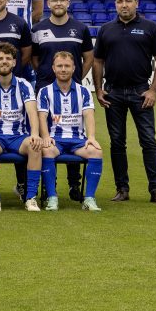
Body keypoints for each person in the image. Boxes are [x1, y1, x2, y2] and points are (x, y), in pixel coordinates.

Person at [92, 0, 156, 204]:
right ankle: (122, 189)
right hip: (113, 92)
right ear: (115, 4)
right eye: (119, 2)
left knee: (148, 141)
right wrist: (99, 89)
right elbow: (98, 61)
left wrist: (153, 90)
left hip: (140, 92)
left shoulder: (150, 27)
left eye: (127, 1)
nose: (123, 5)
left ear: (137, 2)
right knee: (117, 143)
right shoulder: (106, 29)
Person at [31, 0, 94, 202]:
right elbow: (34, 58)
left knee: (73, 132)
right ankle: (51, 186)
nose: (58, 3)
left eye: (62, 0)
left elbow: (88, 58)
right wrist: (46, 76)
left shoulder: (80, 28)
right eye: (54, 0)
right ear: (48, 3)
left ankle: (74, 184)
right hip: (45, 89)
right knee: (47, 138)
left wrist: (76, 77)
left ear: (68, 2)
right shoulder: (38, 29)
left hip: (72, 90)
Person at [0, 43, 43, 212]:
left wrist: (35, 134)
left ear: (14, 62)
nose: (4, 61)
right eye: (0, 58)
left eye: (8, 58)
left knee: (35, 146)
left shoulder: (24, 84)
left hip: (19, 137)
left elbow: (32, 112)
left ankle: (31, 198)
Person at [36, 52, 104, 212]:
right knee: (46, 150)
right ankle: (52, 197)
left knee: (96, 152)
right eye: (59, 66)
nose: (63, 69)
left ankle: (89, 199)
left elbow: (89, 115)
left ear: (74, 68)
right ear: (53, 68)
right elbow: (42, 116)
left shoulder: (84, 91)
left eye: (67, 66)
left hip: (78, 141)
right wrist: (45, 137)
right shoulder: (45, 91)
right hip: (55, 139)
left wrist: (92, 137)